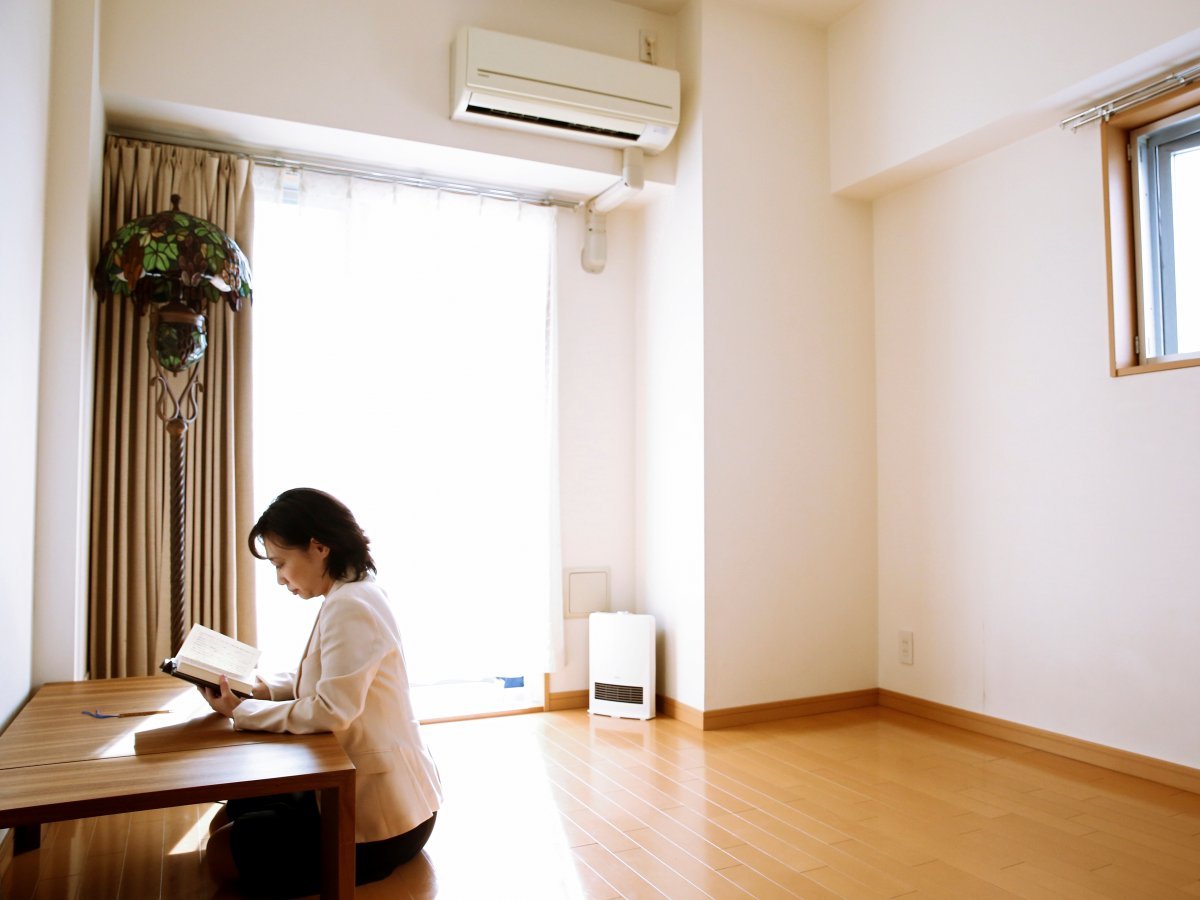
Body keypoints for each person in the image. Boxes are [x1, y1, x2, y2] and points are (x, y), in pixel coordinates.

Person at [201, 487, 442, 897]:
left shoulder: (351, 605)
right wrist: (260, 687)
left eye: (280, 563)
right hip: (382, 794)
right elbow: (329, 677)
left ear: (318, 547)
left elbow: (333, 709)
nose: (280, 578)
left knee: (222, 852)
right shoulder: (352, 592)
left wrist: (241, 712)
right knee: (227, 822)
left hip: (383, 820)